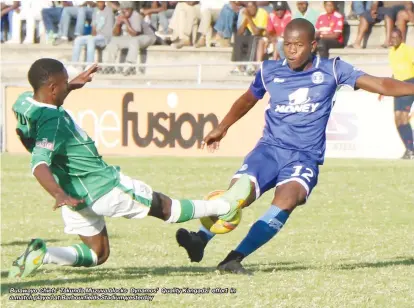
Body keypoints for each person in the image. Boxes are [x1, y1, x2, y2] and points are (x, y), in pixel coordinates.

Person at [176, 18, 414, 275]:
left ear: (312, 45)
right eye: (287, 44)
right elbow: (248, 99)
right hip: (268, 150)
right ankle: (199, 239)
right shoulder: (269, 70)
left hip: (304, 157)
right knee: (238, 195)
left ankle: (234, 258)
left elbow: (380, 84)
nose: (290, 50)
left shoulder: (333, 70)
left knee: (288, 200)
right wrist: (222, 127)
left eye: (297, 45)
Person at [8, 58, 251, 278]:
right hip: (102, 187)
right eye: (63, 83)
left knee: (97, 254)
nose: (66, 85)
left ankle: (42, 254)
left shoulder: (24, 103)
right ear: (52, 89)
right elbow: (39, 163)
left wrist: (70, 86)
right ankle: (225, 205)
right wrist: (57, 194)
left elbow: (43, 110)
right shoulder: (53, 122)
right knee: (165, 207)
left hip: (75, 194)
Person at [381, 29, 414, 159]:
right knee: (397, 119)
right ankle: (409, 148)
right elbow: (396, 72)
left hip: (409, 83)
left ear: (401, 38)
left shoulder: (408, 50)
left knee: (404, 117)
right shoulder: (391, 52)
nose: (393, 39)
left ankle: (411, 150)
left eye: (395, 37)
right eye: (391, 37)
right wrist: (385, 88)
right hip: (397, 86)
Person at [103, 1, 156, 76]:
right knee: (114, 41)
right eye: (123, 9)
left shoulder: (135, 15)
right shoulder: (120, 15)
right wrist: (118, 24)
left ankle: (130, 67)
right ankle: (109, 66)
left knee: (134, 41)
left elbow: (135, 34)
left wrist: (126, 21)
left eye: (127, 9)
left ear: (131, 9)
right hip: (132, 38)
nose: (125, 11)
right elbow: (115, 34)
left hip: (148, 37)